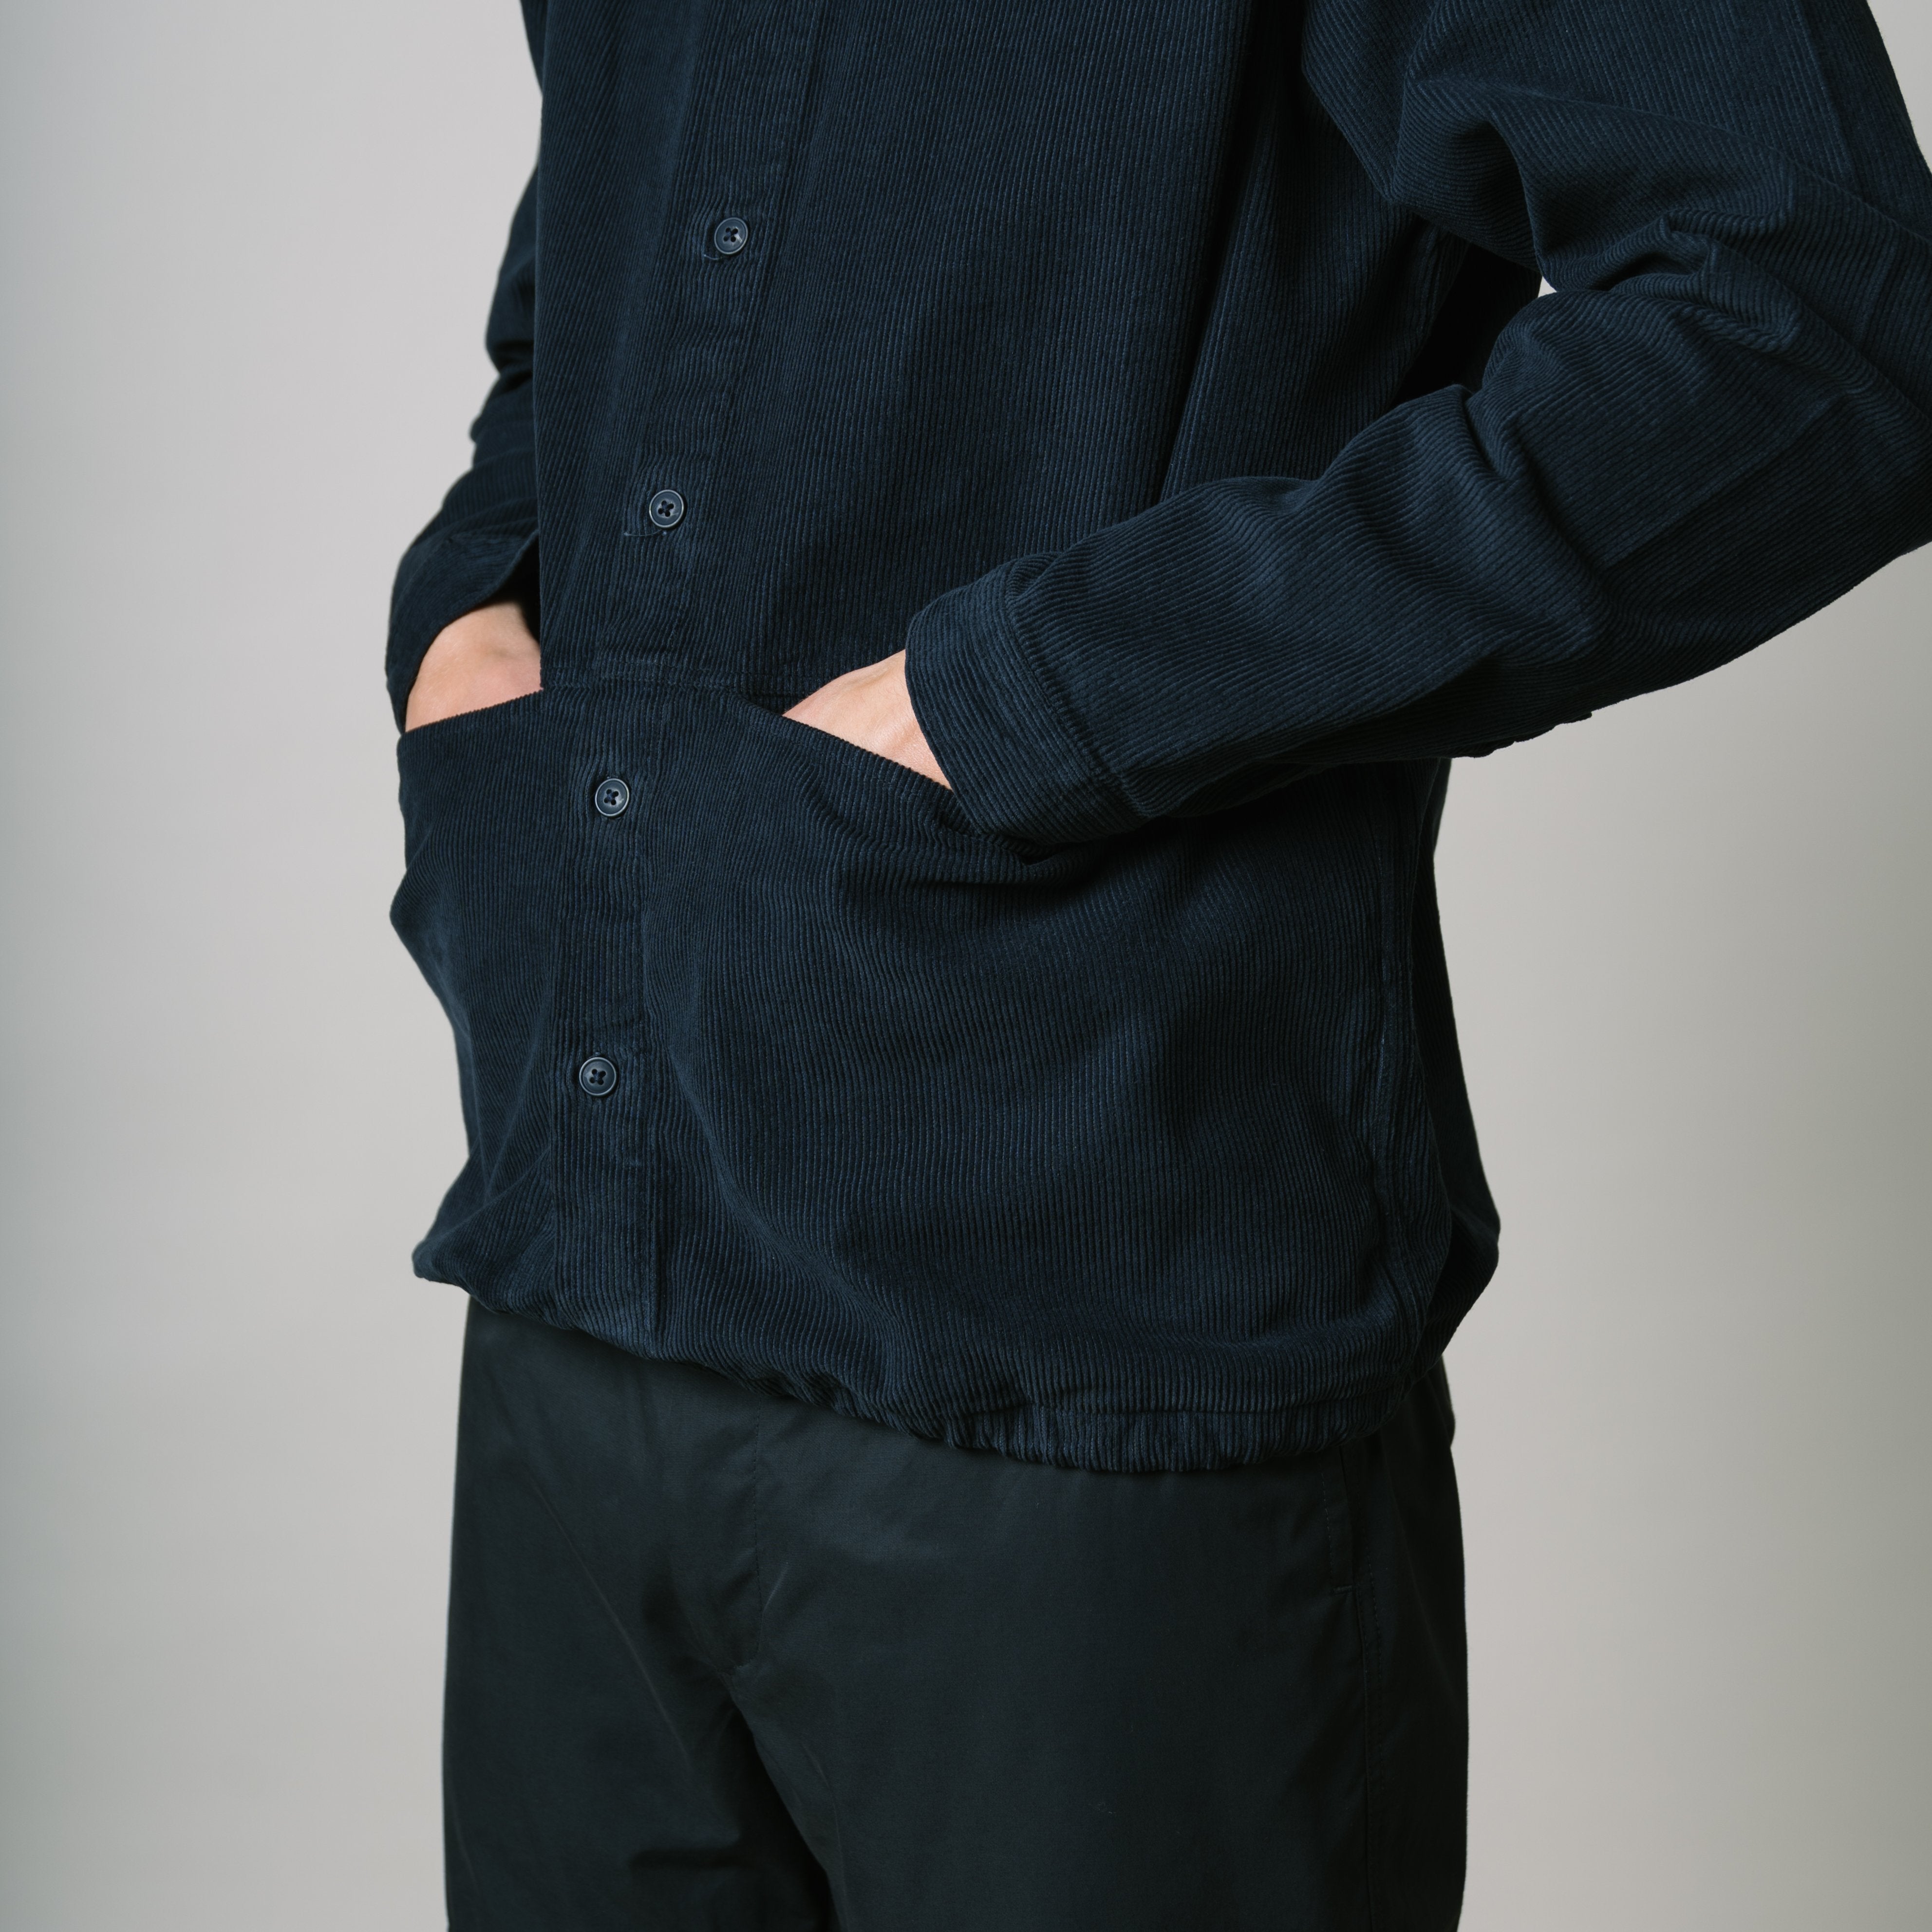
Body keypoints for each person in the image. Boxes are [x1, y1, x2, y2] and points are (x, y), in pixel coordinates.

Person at [387, 2, 1932, 1925]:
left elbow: (1818, 312)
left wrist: (1047, 692)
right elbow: (611, 278)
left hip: (1095, 1353)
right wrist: (472, 601)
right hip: (578, 1286)